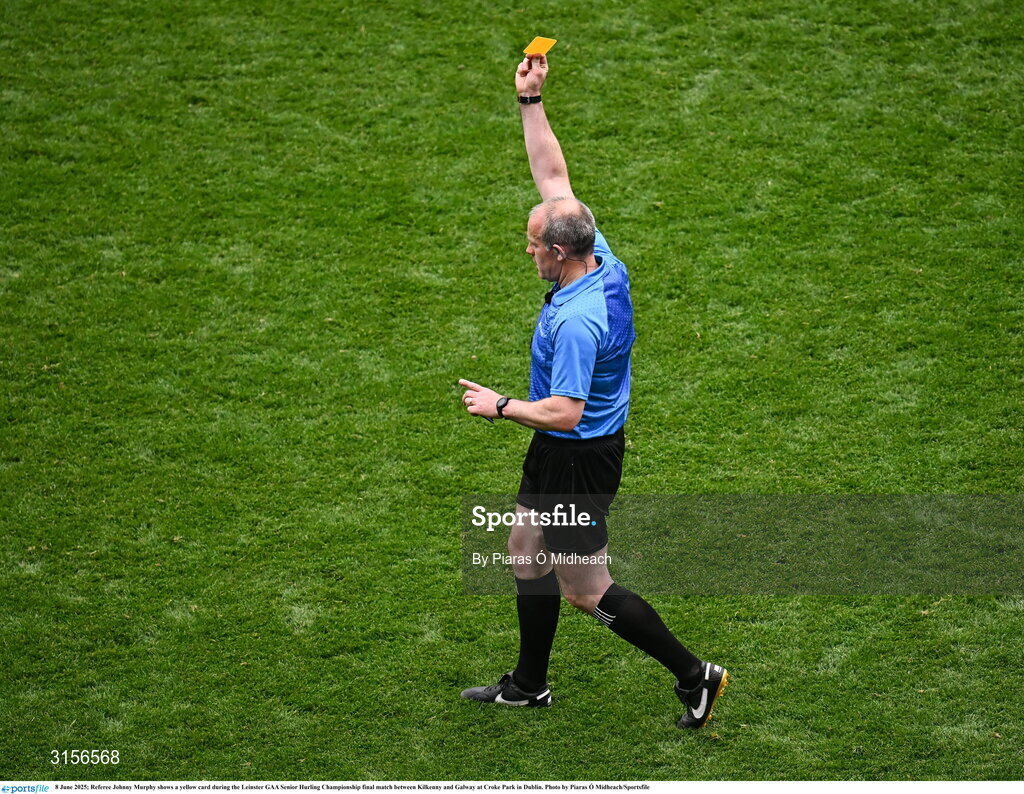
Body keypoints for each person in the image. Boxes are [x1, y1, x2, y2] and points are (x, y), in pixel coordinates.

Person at [457, 53, 728, 729]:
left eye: (532, 245)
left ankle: (697, 676)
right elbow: (552, 173)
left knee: (584, 588)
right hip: (566, 452)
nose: (527, 252)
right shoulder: (595, 251)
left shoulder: (579, 322)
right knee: (524, 552)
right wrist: (530, 100)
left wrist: (500, 406)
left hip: (578, 454)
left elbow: (564, 411)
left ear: (559, 253)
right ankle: (528, 684)